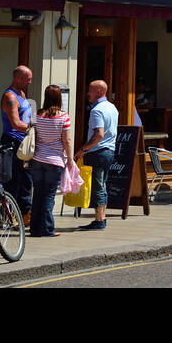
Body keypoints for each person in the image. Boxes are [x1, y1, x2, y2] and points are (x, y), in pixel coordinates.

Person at [74, 79, 118, 230]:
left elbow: (98, 134)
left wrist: (83, 150)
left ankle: (99, 220)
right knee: (103, 184)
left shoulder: (97, 110)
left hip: (98, 152)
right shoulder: (112, 107)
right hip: (109, 151)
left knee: (98, 187)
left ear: (99, 91)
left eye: (90, 90)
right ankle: (102, 218)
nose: (87, 93)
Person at [29, 85, 72, 238]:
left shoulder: (36, 115)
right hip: (54, 161)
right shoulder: (63, 117)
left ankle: (34, 228)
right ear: (59, 98)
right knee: (48, 196)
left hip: (36, 159)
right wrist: (70, 160)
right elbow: (66, 140)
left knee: (38, 194)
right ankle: (47, 229)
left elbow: (31, 134)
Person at [0, 65, 34, 225]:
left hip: (24, 142)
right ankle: (8, 215)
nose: (30, 82)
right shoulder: (10, 96)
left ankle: (25, 213)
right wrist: (34, 127)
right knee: (13, 180)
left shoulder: (22, 93)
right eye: (28, 79)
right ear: (18, 78)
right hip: (12, 142)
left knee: (26, 180)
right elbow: (15, 123)